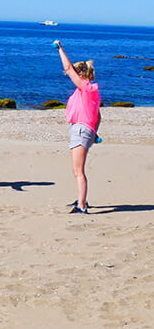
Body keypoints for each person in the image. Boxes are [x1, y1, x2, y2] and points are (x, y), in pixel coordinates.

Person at [56, 41, 101, 213]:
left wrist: (60, 49)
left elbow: (68, 69)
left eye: (76, 73)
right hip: (85, 130)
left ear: (81, 75)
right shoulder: (89, 92)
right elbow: (98, 115)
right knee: (78, 169)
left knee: (78, 170)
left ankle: (81, 205)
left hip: (82, 130)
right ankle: (81, 199)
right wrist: (95, 132)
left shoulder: (86, 88)